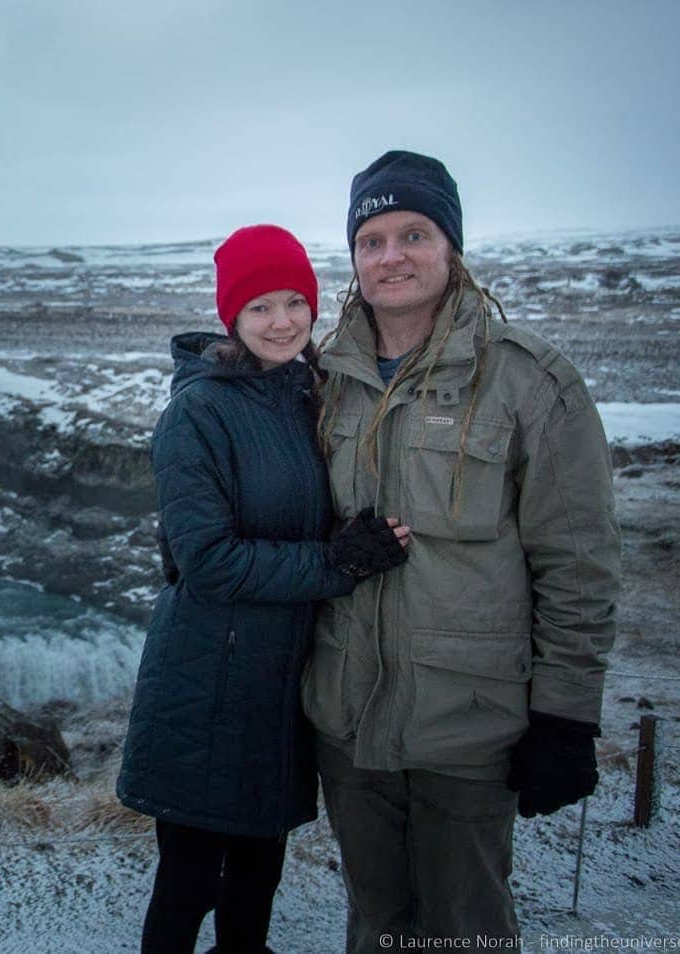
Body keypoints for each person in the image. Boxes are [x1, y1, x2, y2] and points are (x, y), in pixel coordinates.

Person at [303, 151, 620, 951]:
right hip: (348, 723)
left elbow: (576, 559)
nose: (391, 256)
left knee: (464, 932)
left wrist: (567, 716)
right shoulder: (323, 379)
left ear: (451, 247)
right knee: (376, 927)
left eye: (413, 233)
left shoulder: (528, 380)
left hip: (469, 729)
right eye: (370, 240)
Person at [117, 224, 410, 954]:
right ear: (231, 319)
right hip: (207, 682)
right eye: (259, 308)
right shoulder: (198, 411)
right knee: (187, 882)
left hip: (282, 680)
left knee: (258, 872)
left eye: (294, 303)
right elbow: (208, 561)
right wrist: (340, 563)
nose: (281, 321)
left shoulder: (308, 394)